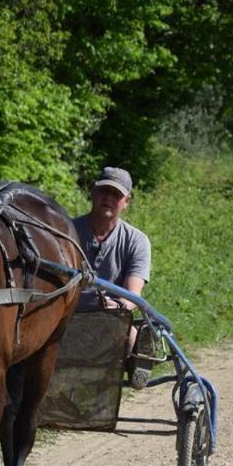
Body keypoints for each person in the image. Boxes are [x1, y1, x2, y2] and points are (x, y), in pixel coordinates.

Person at [73, 165, 154, 388]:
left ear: (126, 201)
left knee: (128, 331)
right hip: (67, 313)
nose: (108, 198)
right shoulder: (68, 231)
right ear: (93, 192)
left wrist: (116, 306)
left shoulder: (137, 241)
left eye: (116, 194)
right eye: (104, 191)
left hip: (111, 317)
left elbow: (133, 295)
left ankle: (138, 357)